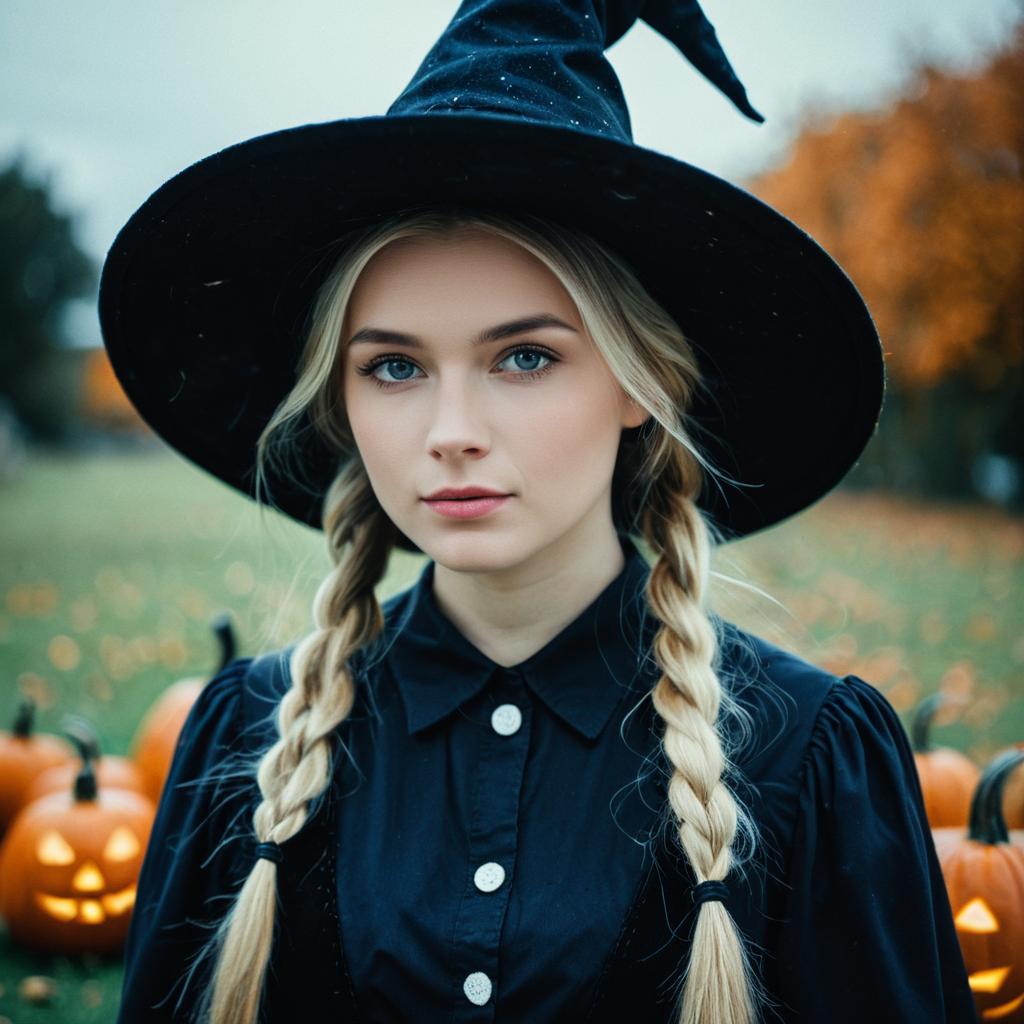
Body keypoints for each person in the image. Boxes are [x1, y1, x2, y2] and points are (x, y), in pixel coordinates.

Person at [103, 3, 978, 1023]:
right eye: (393, 366)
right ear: (341, 403)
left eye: (524, 356)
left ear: (637, 384)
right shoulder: (242, 748)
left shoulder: (805, 757)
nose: (452, 430)